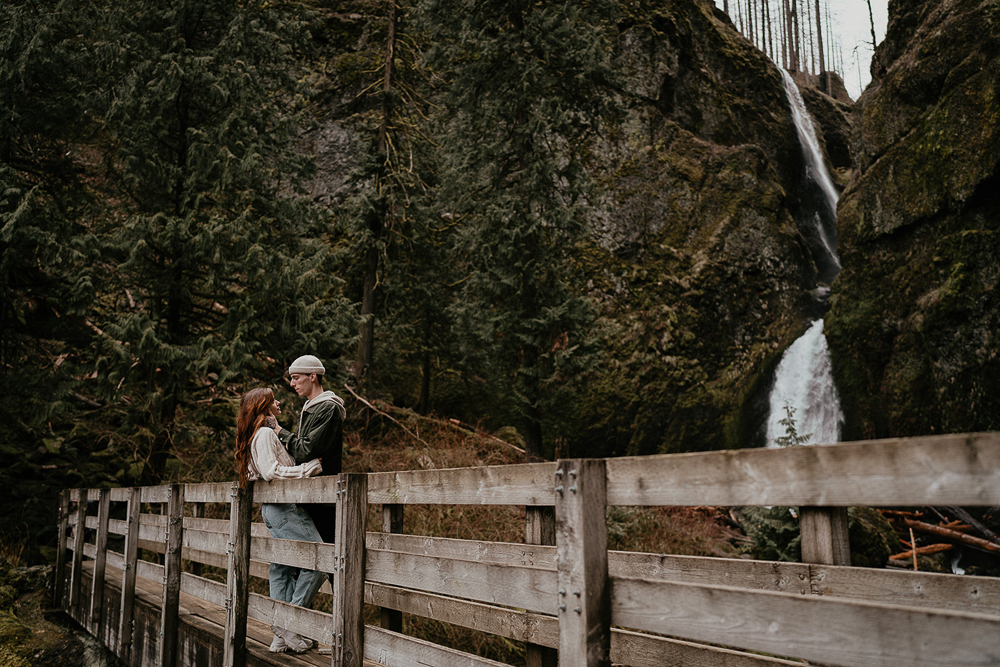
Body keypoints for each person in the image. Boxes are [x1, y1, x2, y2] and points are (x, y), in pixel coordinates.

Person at [236, 387, 324, 654]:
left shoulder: (262, 433)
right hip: (284, 510)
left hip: (276, 510)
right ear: (264, 407)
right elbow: (270, 471)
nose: (279, 402)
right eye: (274, 400)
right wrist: (309, 468)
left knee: (283, 570)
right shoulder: (262, 434)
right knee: (318, 562)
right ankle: (290, 626)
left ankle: (280, 638)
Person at [272, 354, 346, 545]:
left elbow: (305, 450)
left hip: (324, 495)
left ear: (312, 377)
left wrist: (279, 431)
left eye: (296, 378)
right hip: (307, 493)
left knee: (328, 554)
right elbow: (302, 451)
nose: (291, 383)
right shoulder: (309, 408)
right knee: (306, 557)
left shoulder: (328, 408)